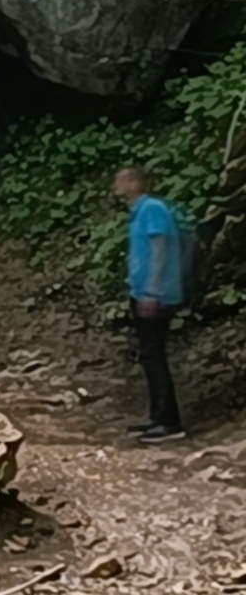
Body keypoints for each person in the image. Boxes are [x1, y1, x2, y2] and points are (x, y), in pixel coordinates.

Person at [114, 165, 185, 441]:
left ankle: (169, 422)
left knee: (154, 355)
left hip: (155, 294)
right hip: (142, 292)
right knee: (149, 354)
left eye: (121, 179)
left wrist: (152, 292)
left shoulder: (152, 209)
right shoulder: (138, 212)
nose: (116, 184)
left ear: (134, 182)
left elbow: (160, 250)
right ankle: (158, 417)